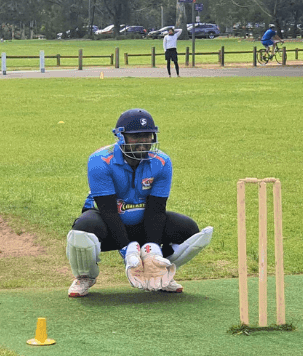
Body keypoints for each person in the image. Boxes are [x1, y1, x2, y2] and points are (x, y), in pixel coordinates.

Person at [65, 109, 214, 298]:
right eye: (135, 137)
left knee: (188, 230)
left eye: (147, 136)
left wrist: (152, 251)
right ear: (121, 137)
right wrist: (128, 251)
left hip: (143, 223)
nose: (143, 142)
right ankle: (85, 277)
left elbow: (157, 210)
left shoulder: (162, 161)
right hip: (107, 225)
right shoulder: (100, 160)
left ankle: (160, 272)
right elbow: (108, 211)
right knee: (82, 231)